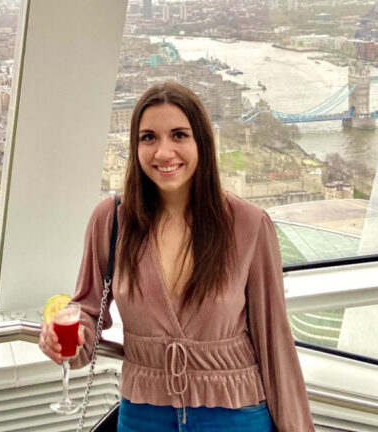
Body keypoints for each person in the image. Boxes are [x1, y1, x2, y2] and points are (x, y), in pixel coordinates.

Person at [39, 82, 314, 431]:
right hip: (143, 415)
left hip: (234, 415)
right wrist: (66, 341)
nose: (163, 152)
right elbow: (88, 311)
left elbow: (274, 341)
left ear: (201, 142)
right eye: (149, 137)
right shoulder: (111, 220)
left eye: (179, 135)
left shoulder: (249, 224)